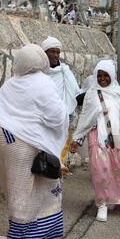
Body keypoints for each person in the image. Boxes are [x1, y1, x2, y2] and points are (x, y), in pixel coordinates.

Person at [0, 44, 69, 239]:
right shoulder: (43, 82)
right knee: (24, 189)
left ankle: (32, 234)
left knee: (17, 188)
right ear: (41, 61)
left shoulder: (10, 84)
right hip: (20, 142)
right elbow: (57, 116)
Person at [70, 60, 120, 222]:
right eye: (99, 75)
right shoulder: (91, 94)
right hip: (97, 138)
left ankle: (113, 197)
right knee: (99, 170)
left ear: (112, 75)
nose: (102, 79)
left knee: (116, 169)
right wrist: (77, 138)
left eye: (106, 75)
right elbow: (85, 118)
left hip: (118, 140)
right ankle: (102, 203)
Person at [41, 37, 84, 165]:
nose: (55, 55)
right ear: (44, 53)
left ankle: (56, 180)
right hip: (44, 118)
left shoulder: (64, 71)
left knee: (59, 153)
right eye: (52, 51)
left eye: (57, 52)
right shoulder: (40, 72)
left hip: (64, 117)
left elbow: (75, 91)